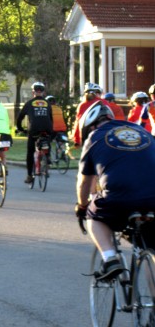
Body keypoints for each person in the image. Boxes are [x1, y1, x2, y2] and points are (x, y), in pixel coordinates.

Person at [75, 100, 155, 280]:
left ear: (90, 126)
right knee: (150, 249)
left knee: (93, 215)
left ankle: (110, 259)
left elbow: (84, 183)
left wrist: (81, 206)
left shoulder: (94, 137)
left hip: (120, 197)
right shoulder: (143, 132)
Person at [16, 82, 53, 184]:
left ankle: (29, 176)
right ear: (43, 92)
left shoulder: (29, 103)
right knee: (46, 138)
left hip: (34, 130)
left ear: (33, 92)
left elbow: (20, 118)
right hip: (47, 128)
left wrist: (20, 128)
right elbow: (50, 118)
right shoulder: (47, 103)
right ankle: (48, 157)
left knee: (30, 152)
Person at [72, 82, 106, 147]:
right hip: (103, 136)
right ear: (97, 93)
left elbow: (78, 124)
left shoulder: (82, 105)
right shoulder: (104, 102)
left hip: (87, 138)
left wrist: (76, 140)